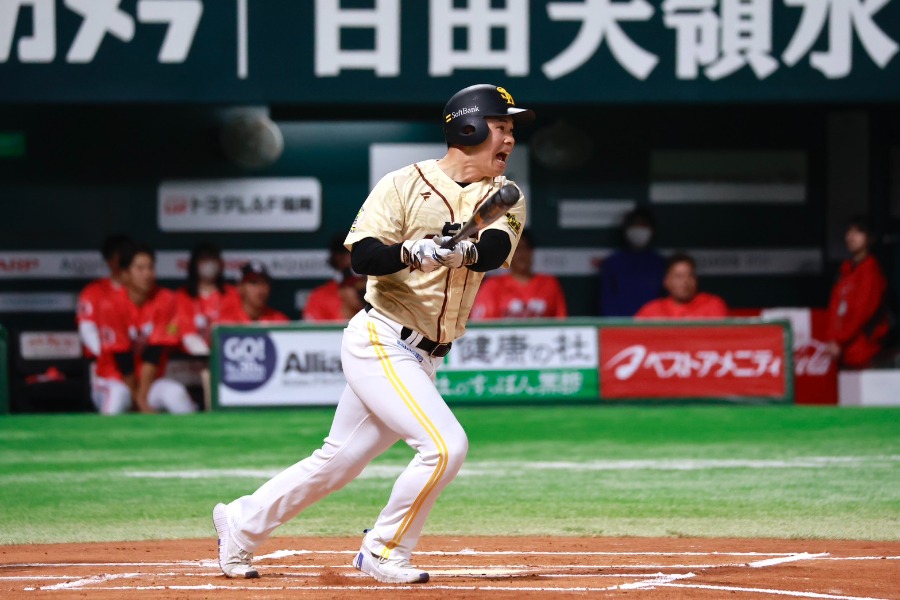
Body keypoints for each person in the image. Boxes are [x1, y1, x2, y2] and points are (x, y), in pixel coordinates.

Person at [212, 83, 533, 584]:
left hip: (425, 355)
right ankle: (383, 549)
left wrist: (459, 251)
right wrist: (411, 251)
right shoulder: (403, 184)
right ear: (468, 127)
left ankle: (242, 523)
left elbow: (491, 247)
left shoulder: (504, 194)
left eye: (511, 129)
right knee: (445, 446)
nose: (509, 138)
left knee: (338, 461)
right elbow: (363, 256)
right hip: (382, 337)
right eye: (501, 127)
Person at [92, 242, 197, 414]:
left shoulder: (166, 299)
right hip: (112, 380)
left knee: (175, 394)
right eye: (140, 269)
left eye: (150, 268)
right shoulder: (110, 304)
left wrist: (142, 397)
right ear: (125, 274)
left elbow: (155, 352)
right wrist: (138, 400)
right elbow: (122, 358)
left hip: (149, 382)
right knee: (119, 397)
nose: (147, 274)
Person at [825, 216, 890, 368]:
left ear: (870, 238)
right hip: (842, 352)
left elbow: (861, 313)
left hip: (864, 353)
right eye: (849, 231)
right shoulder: (845, 270)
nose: (851, 236)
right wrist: (832, 339)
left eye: (858, 232)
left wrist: (839, 340)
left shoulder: (870, 271)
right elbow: (834, 308)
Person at [470, 228, 567, 320]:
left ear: (531, 252)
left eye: (525, 248)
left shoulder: (549, 284)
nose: (521, 254)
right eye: (516, 250)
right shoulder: (493, 285)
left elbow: (561, 323)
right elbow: (483, 324)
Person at [598, 207, 666, 316]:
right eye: (634, 225)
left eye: (643, 225)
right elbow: (607, 302)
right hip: (621, 324)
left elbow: (667, 302)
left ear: (652, 230)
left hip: (653, 323)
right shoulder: (612, 263)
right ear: (626, 230)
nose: (639, 229)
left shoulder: (660, 263)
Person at [175, 242, 239, 351]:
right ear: (194, 264)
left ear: (220, 263)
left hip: (226, 352)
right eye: (204, 260)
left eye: (212, 259)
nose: (209, 264)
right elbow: (183, 331)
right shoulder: (182, 295)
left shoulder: (232, 294)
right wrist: (203, 353)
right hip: (191, 357)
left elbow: (237, 326)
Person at [76, 235, 132, 358]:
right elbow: (87, 329)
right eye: (121, 257)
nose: (124, 261)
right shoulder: (92, 292)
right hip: (101, 361)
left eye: (128, 256)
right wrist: (106, 356)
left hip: (138, 361)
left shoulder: (141, 292)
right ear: (108, 260)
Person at [635, 252, 727, 318]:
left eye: (690, 276)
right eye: (679, 276)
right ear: (666, 282)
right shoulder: (651, 311)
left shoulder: (712, 305)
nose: (685, 281)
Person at [303, 233, 356, 322]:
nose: (348, 259)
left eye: (353, 254)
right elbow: (313, 328)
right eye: (342, 254)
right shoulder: (319, 297)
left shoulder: (373, 292)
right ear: (334, 258)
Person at [220, 261, 290, 323]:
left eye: (264, 282)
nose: (260, 289)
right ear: (240, 287)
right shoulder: (226, 322)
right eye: (254, 283)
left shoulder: (279, 322)